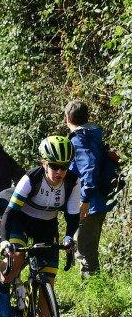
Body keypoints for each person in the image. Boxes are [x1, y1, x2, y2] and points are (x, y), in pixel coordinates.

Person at [0, 136, 82, 317]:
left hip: (47, 226)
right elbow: (10, 212)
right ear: (44, 163)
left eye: (64, 166)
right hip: (20, 221)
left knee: (48, 282)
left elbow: (73, 218)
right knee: (17, 256)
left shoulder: (73, 182)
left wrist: (67, 238)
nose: (59, 171)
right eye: (54, 166)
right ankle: (3, 288)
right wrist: (5, 242)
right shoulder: (31, 178)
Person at [64, 100, 112, 276]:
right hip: (99, 199)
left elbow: (89, 169)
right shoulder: (93, 135)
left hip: (90, 202)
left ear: (67, 118)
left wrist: (84, 200)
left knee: (84, 248)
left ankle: (93, 295)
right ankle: (92, 287)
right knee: (88, 246)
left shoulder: (80, 140)